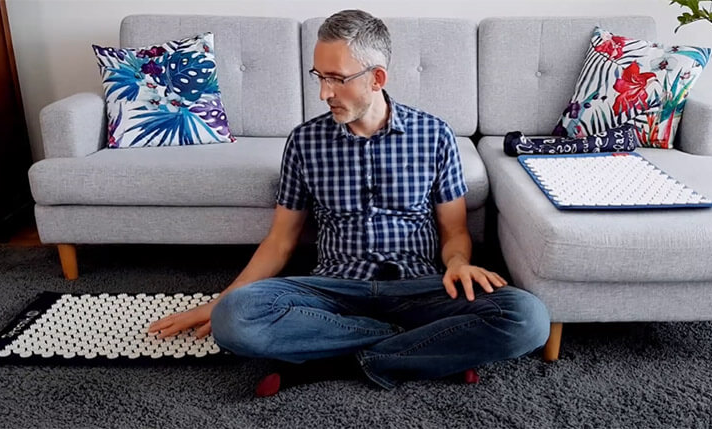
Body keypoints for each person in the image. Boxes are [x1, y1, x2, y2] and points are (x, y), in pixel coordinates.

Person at [149, 9, 550, 395]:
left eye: (337, 79)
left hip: (420, 288)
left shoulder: (435, 135)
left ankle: (333, 361)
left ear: (377, 78)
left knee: (528, 319)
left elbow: (455, 231)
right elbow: (280, 242)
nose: (324, 93)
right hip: (332, 293)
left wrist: (459, 263)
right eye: (319, 77)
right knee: (234, 318)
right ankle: (421, 350)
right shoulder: (304, 142)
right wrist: (221, 301)